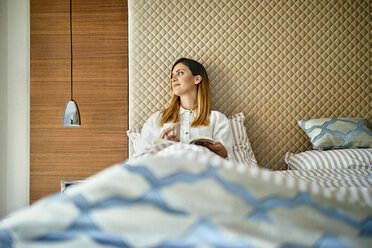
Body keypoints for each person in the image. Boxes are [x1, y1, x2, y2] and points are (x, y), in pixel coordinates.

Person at [134, 58, 233, 158]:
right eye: (172, 76)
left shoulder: (217, 119)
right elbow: (140, 158)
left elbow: (229, 162)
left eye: (180, 73)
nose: (173, 78)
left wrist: (221, 153)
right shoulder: (158, 118)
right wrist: (161, 146)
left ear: (197, 79)